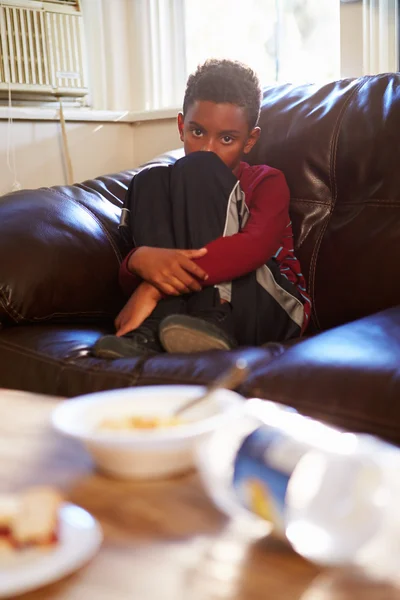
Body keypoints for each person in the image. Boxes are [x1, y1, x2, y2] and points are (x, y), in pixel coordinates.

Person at [93, 59, 311, 359]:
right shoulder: (165, 187)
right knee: (149, 179)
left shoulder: (267, 181)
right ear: (182, 126)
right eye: (197, 132)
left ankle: (206, 314)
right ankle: (155, 329)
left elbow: (255, 247)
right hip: (188, 307)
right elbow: (143, 257)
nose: (208, 148)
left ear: (250, 140)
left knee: (199, 169)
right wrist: (138, 261)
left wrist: (153, 288)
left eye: (226, 139)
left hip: (272, 305)